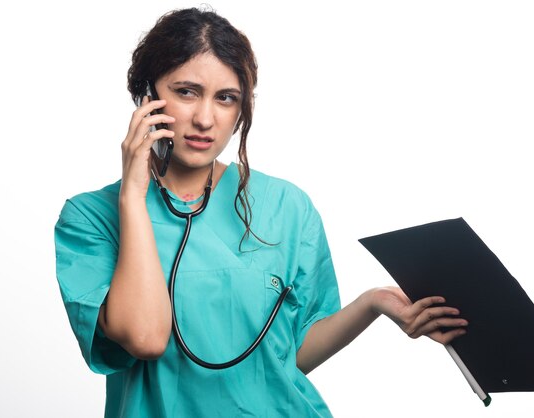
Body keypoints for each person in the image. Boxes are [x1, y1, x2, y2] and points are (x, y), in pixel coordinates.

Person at [54, 7, 468, 417]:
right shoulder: (91, 219)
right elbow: (144, 337)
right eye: (186, 91)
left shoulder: (288, 207)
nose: (204, 118)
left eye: (225, 98)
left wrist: (372, 303)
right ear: (147, 97)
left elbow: (288, 356)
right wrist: (133, 196)